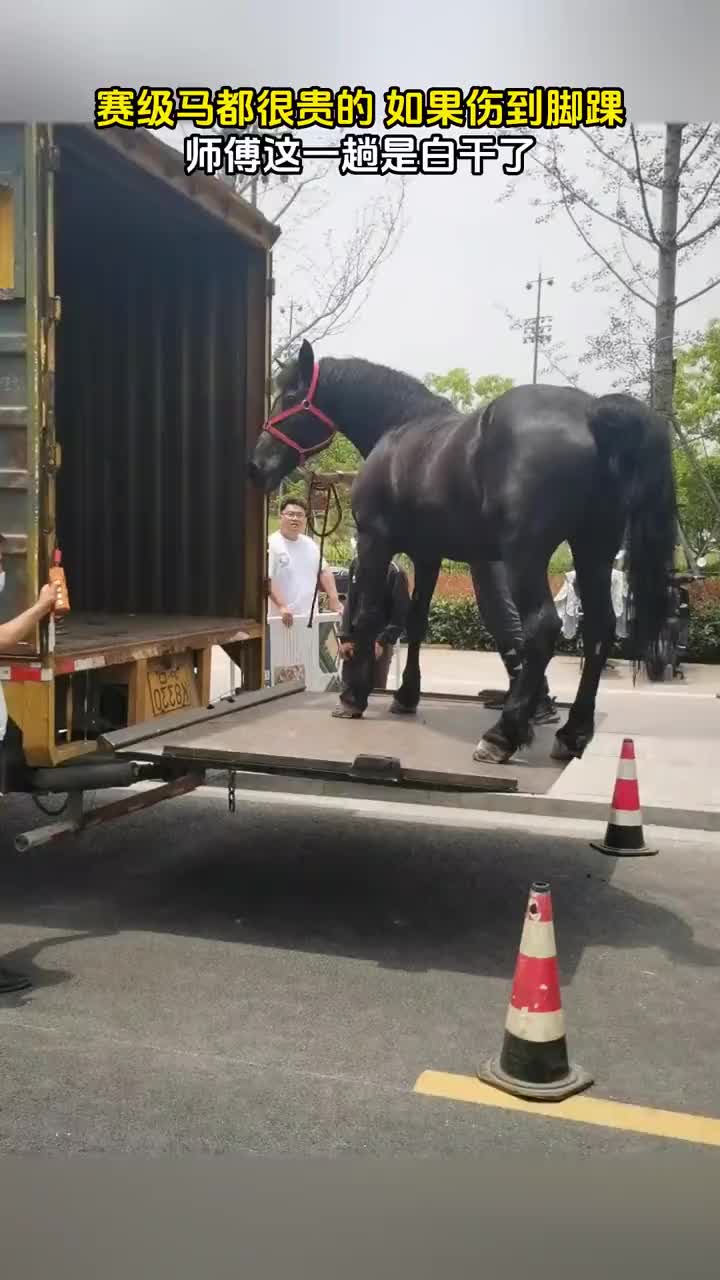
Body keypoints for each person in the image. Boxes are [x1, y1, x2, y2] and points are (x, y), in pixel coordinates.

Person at [332, 555, 410, 718]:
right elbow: (351, 601)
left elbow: (400, 612)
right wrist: (345, 637)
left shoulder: (395, 572)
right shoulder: (356, 563)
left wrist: (383, 640)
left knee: (376, 687)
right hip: (356, 637)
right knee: (350, 681)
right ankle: (349, 706)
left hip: (378, 640)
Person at [267, 496, 341, 627]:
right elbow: (267, 579)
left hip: (309, 619)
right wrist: (282, 606)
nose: (295, 518)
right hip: (280, 620)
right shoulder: (271, 543)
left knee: (309, 648)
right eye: (291, 514)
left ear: (305, 519)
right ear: (281, 516)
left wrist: (334, 599)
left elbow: (324, 570)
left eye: (300, 515)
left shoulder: (310, 544)